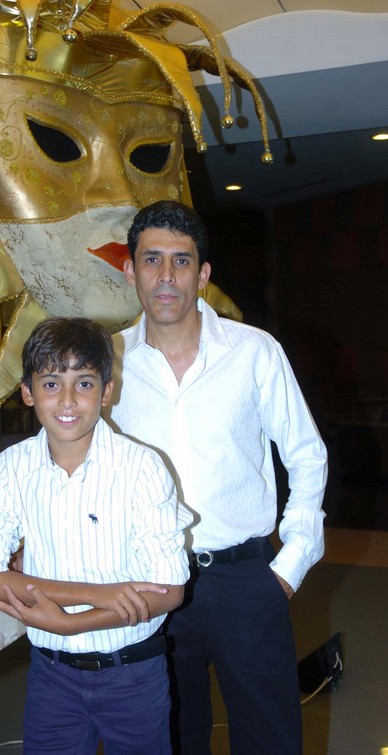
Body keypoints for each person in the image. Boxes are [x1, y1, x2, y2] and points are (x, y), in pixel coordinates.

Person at [104, 200, 328, 755]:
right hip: (150, 582)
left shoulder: (255, 352)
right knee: (171, 739)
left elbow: (306, 455)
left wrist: (290, 565)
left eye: (181, 261)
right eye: (152, 259)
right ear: (130, 271)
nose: (166, 275)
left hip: (246, 581)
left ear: (202, 275)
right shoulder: (107, 363)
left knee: (270, 741)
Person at [0, 316, 192, 755]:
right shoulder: (14, 467)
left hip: (133, 675)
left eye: (84, 383)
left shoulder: (141, 467)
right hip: (52, 678)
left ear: (106, 391)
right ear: (28, 391)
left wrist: (68, 623)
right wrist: (98, 594)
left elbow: (169, 590)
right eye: (51, 384)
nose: (67, 400)